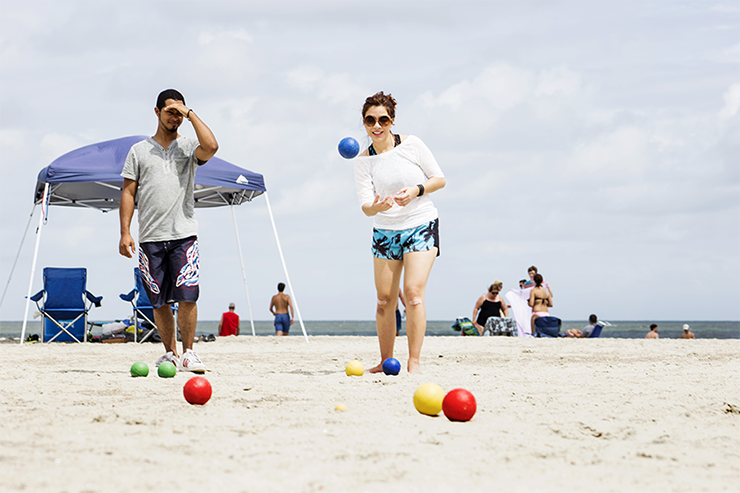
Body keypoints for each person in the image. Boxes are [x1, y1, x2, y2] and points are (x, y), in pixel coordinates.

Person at [119, 88, 218, 373]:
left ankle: (189, 353)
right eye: (170, 112)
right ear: (157, 112)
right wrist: (125, 232)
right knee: (159, 301)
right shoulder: (138, 151)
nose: (176, 117)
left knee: (188, 296)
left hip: (183, 234)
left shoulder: (188, 147)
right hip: (150, 237)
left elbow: (211, 147)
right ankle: (170, 353)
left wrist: (191, 113)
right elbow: (128, 192)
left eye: (180, 113)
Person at [353, 91, 446, 374]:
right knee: (384, 300)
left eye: (383, 119)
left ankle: (414, 362)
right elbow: (366, 207)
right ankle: (384, 361)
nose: (377, 125)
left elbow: (439, 179)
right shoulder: (362, 160)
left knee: (414, 294)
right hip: (385, 231)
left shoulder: (412, 145)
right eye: (370, 120)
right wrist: (377, 206)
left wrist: (417, 190)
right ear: (365, 123)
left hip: (421, 223)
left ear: (392, 121)